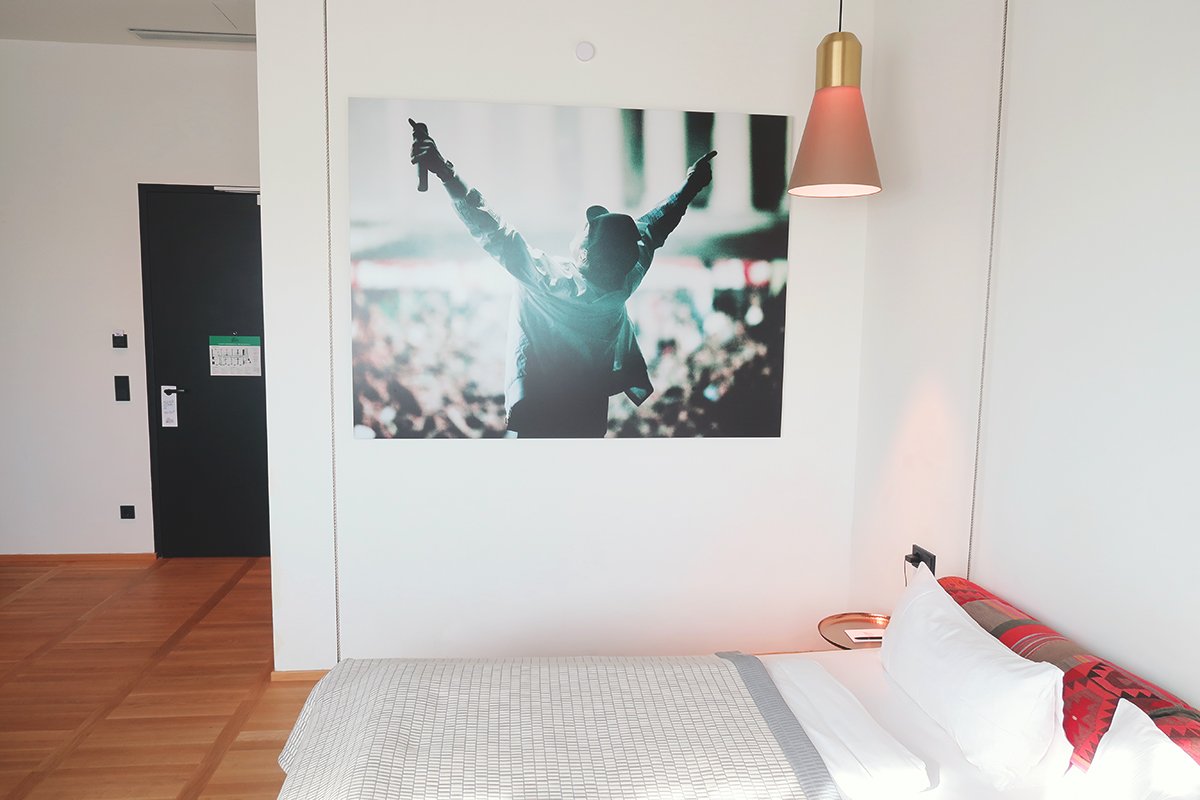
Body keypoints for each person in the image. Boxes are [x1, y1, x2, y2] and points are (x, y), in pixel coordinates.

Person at [410, 118, 716, 438]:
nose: (581, 227)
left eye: (587, 229)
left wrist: (445, 172)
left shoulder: (551, 282)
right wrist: (690, 187)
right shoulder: (625, 280)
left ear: (583, 253)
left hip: (541, 413)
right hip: (590, 414)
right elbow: (655, 227)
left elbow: (491, 228)